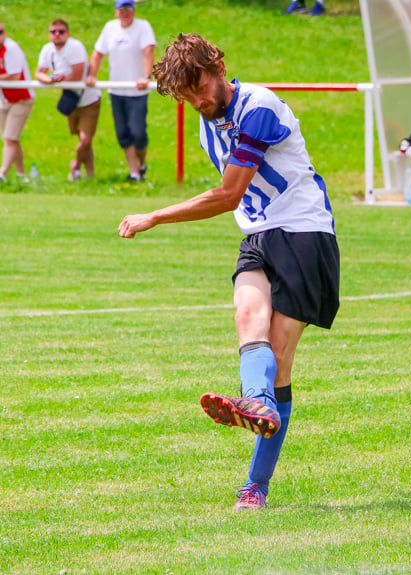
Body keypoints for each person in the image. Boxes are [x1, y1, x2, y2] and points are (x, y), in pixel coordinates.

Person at [119, 33, 340, 510]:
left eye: (199, 86)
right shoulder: (206, 124)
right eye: (187, 96)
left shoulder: (258, 106)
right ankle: (254, 402)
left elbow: (228, 194)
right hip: (259, 235)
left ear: (216, 68)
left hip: (304, 232)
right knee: (247, 319)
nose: (198, 100)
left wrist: (155, 215)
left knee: (280, 357)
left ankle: (255, 485)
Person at [86, 0, 155, 183]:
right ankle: (134, 173)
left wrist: (146, 76)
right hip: (117, 90)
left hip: (137, 91)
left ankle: (141, 164)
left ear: (134, 10)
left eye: (129, 8)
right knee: (123, 133)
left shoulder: (143, 27)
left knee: (138, 132)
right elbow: (98, 53)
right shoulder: (110, 28)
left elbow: (149, 51)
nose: (126, 12)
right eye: (122, 9)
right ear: (116, 11)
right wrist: (92, 75)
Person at [35, 19, 102, 181]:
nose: (57, 35)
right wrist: (50, 79)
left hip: (88, 98)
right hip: (71, 98)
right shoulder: (47, 50)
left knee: (85, 139)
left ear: (68, 34)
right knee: (83, 140)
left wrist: (60, 78)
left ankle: (76, 165)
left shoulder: (75, 47)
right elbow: (39, 73)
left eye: (61, 31)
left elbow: (77, 76)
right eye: (53, 31)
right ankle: (89, 176)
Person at [0, 22, 35, 183]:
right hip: (4, 99)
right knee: (11, 139)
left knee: (9, 138)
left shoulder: (11, 48)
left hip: (21, 98)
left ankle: (2, 174)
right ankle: (22, 176)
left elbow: (14, 76)